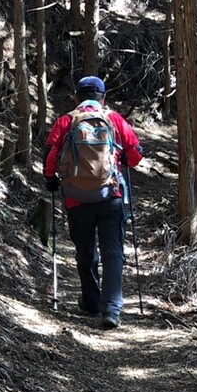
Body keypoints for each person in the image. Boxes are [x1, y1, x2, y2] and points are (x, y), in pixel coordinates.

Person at [42, 75, 144, 328]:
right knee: (113, 252)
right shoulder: (114, 120)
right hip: (110, 196)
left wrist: (50, 179)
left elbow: (50, 154)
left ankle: (91, 301)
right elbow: (135, 158)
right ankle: (112, 309)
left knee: (85, 250)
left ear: (76, 97)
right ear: (103, 97)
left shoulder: (66, 120)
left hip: (76, 197)